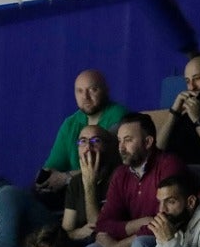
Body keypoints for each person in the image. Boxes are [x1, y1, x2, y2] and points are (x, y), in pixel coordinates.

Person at [79, 113, 186, 247]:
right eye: (119, 141)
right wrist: (137, 223)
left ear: (148, 142)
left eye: (128, 140)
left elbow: (165, 221)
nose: (121, 147)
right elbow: (103, 223)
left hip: (170, 238)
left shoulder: (169, 165)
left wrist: (116, 245)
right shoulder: (121, 173)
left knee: (140, 245)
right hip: (136, 237)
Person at [40, 69, 132, 198]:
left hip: (104, 191)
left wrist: (66, 178)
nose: (86, 97)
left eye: (93, 89)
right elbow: (54, 164)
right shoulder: (70, 123)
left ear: (106, 90)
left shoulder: (120, 116)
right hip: (72, 192)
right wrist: (46, 176)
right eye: (80, 91)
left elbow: (102, 168)